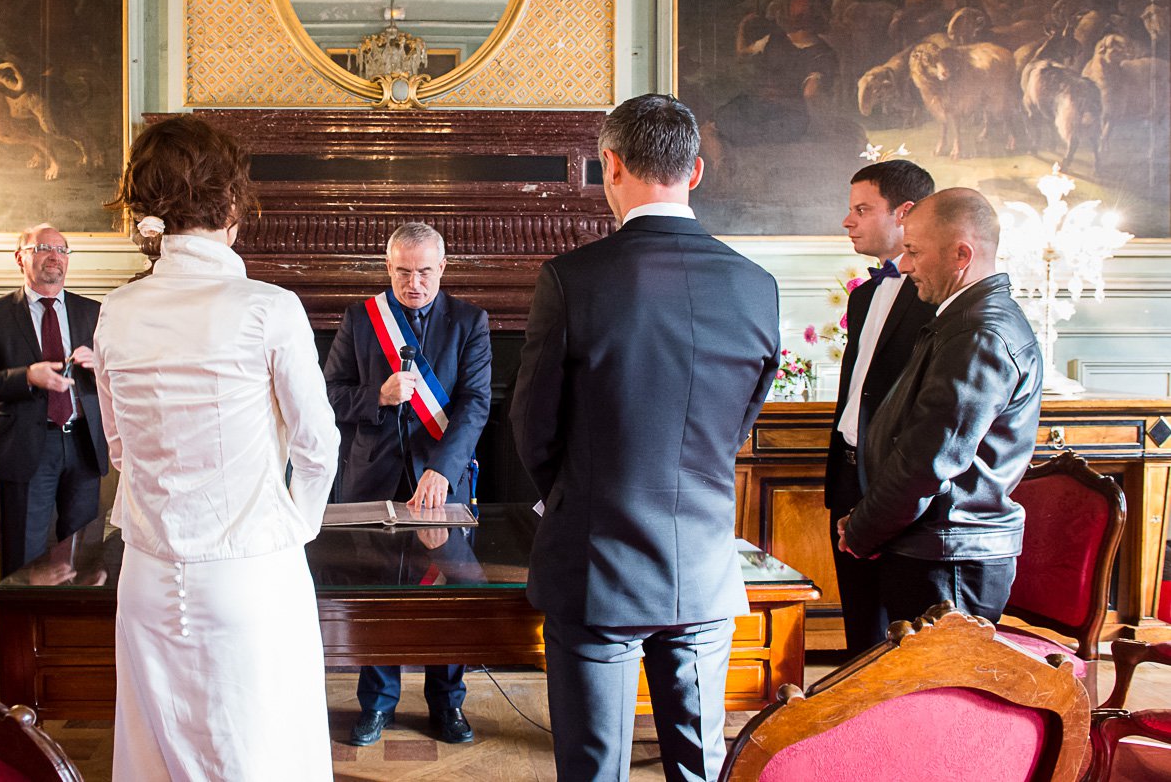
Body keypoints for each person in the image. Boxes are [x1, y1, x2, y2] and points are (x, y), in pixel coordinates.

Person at [511, 94, 780, 782]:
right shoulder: (757, 287)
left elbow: (532, 424)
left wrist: (576, 498)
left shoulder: (572, 280)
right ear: (695, 172)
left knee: (596, 768)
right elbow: (741, 418)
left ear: (611, 165)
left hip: (599, 568)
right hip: (703, 566)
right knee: (698, 767)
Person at [96, 116, 338, 781]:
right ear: (232, 203)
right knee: (259, 752)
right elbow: (318, 444)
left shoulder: (116, 311)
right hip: (251, 570)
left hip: (148, 572)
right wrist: (296, 525)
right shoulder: (267, 307)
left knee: (157, 756)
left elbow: (120, 448)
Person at [838, 188, 1044, 626]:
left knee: (938, 693)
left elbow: (928, 460)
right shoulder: (960, 321)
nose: (905, 264)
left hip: (948, 556)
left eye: (913, 251)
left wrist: (862, 530)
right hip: (933, 545)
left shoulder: (979, 334)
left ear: (961, 254)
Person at [323, 221, 492, 747]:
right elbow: (329, 393)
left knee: (449, 597)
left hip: (442, 478)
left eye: (423, 272)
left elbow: (475, 402)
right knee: (377, 596)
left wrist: (443, 467)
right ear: (387, 267)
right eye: (401, 272)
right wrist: (379, 394)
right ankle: (377, 704)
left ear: (442, 268)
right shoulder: (360, 318)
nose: (412, 283)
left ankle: (447, 704)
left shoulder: (470, 321)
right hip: (372, 477)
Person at [827, 160, 936, 655]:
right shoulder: (864, 295)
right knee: (859, 631)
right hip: (849, 477)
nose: (849, 221)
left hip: (896, 488)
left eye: (862, 209)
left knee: (901, 642)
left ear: (904, 214)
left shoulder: (937, 301)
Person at [0, 225, 108, 576]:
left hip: (83, 445)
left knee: (85, 552)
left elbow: (119, 377)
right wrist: (27, 376)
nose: (54, 256)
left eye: (62, 250)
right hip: (28, 445)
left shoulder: (92, 312)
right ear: (21, 257)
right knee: (25, 551)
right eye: (43, 248)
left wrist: (101, 365)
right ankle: (22, 628)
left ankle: (72, 627)